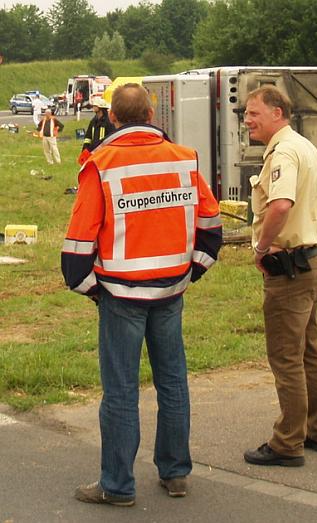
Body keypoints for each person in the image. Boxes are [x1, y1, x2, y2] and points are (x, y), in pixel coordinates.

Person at [62, 83, 223, 505]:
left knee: (120, 392)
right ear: (153, 115)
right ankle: (175, 473)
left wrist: (91, 289)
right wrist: (192, 273)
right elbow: (212, 228)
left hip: (120, 294)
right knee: (173, 383)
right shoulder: (184, 159)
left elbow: (77, 245)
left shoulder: (101, 164)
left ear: (112, 118)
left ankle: (116, 486)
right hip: (171, 289)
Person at [242, 85, 317, 467]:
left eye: (253, 113)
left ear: (277, 113)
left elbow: (280, 204)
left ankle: (287, 442)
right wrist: (307, 222)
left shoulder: (283, 152)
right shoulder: (304, 145)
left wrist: (262, 247)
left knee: (286, 357)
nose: (247, 120)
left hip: (290, 271)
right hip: (312, 261)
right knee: (310, 351)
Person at [78, 97, 116, 164]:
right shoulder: (93, 121)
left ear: (100, 107)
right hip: (94, 151)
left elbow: (112, 137)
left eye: (95, 106)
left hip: (104, 152)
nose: (93, 107)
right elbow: (88, 137)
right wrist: (85, 149)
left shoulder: (108, 121)